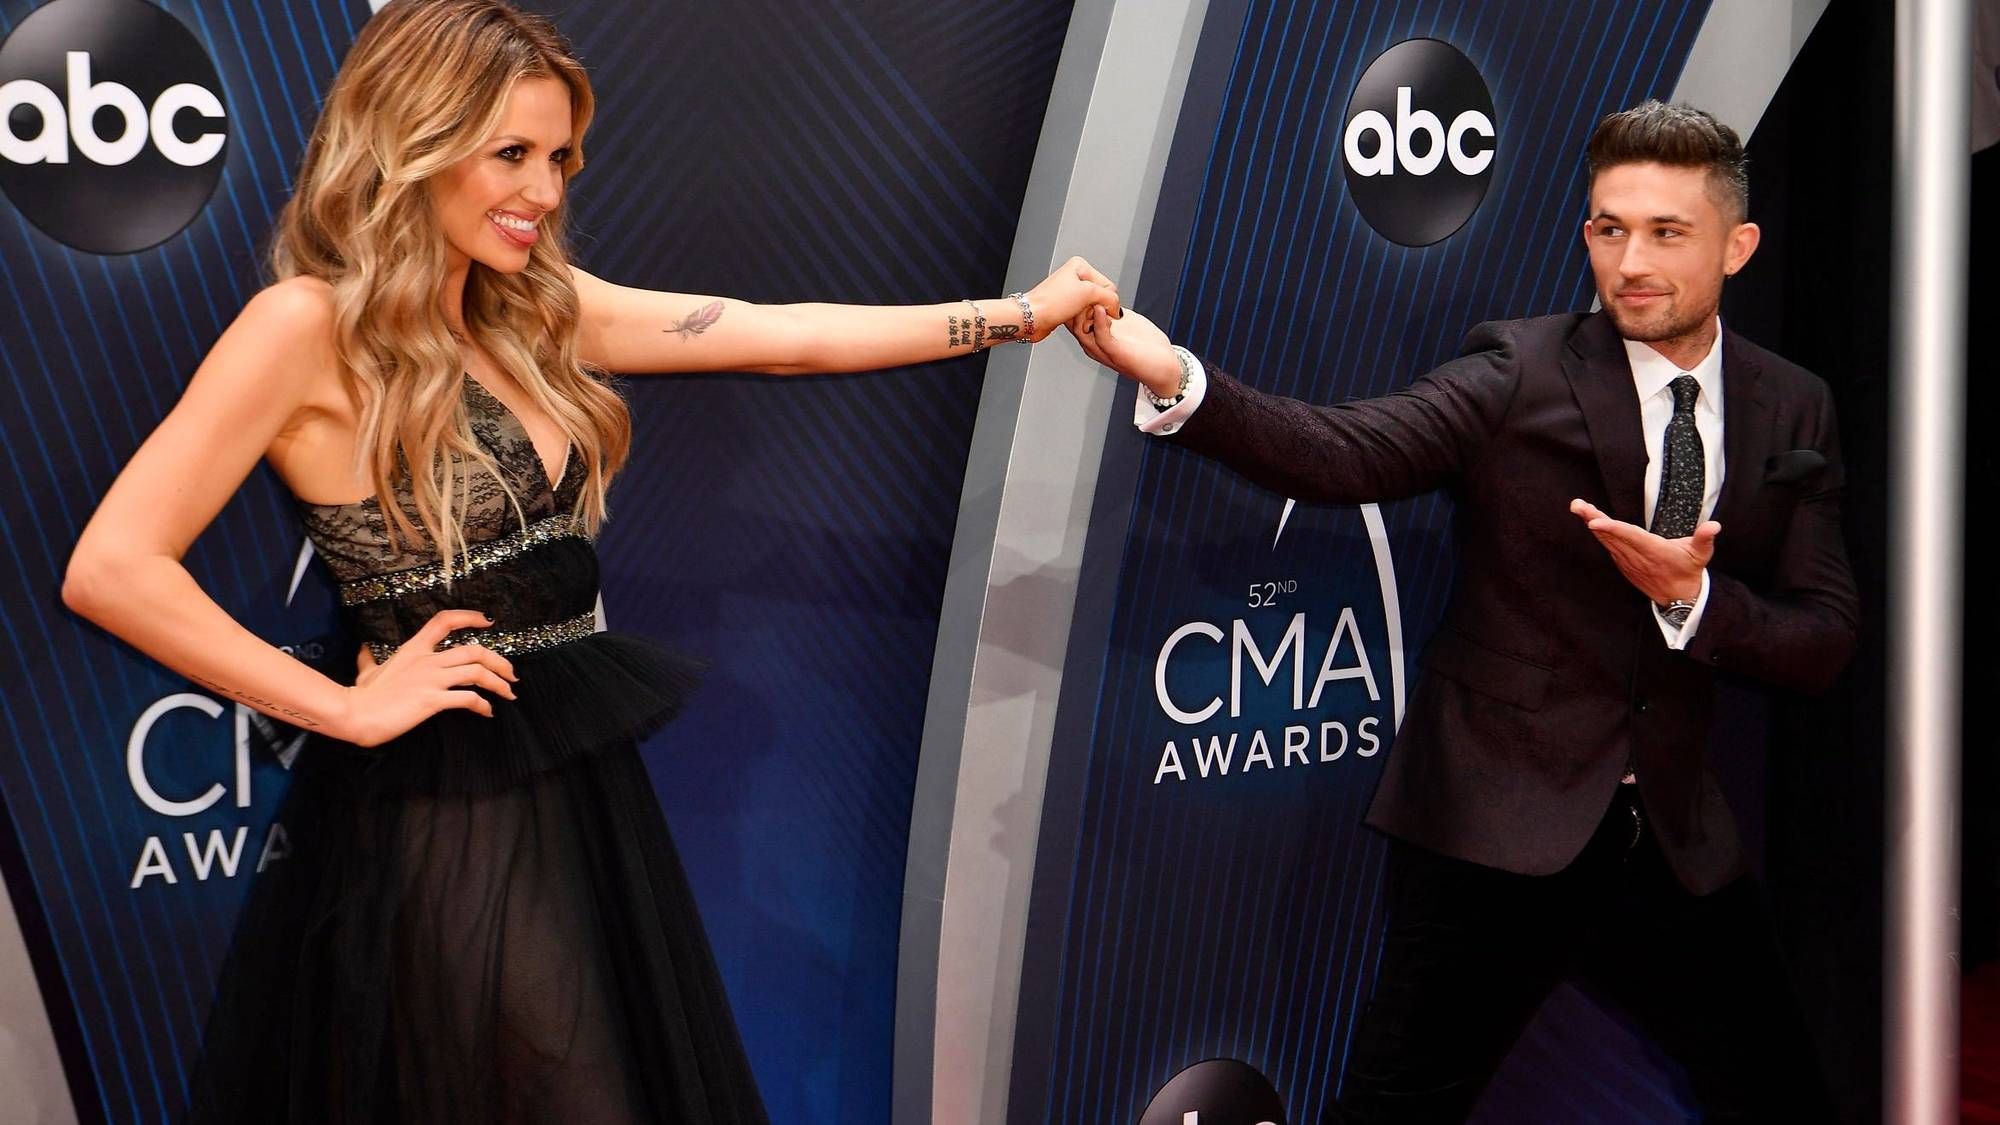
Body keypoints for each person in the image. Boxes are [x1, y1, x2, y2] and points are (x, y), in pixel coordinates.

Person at [58, 1, 1119, 1121]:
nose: (545, 191)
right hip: (450, 816)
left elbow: (787, 335)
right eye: (510, 153)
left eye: (558, 157)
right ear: (412, 140)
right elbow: (113, 566)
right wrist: (343, 710)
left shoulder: (534, 313)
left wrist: (1023, 315)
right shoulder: (306, 328)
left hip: (578, 792)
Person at [1069, 101, 1856, 1123]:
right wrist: (1179, 378)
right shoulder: (1518, 372)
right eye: (1609, 228)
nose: (1630, 262)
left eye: (1667, 232)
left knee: (1780, 1094)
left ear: (1736, 246)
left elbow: (1822, 640)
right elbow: (1344, 452)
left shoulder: (1791, 404)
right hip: (1494, 824)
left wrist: (1693, 600)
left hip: (1670, 832)